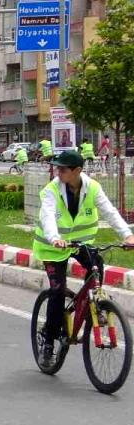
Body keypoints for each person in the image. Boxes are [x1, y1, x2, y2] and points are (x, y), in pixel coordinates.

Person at [33, 149, 134, 366]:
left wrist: (127, 235)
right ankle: (49, 344)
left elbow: (109, 211)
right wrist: (54, 238)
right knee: (58, 292)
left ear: (77, 170)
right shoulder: (51, 190)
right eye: (57, 168)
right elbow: (48, 215)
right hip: (53, 247)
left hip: (80, 244)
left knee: (97, 264)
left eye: (62, 169)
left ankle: (93, 304)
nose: (58, 172)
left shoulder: (93, 188)